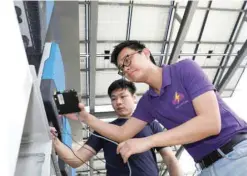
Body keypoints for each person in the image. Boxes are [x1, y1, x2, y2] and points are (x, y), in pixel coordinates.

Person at [66, 40, 247, 176]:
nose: (126, 68)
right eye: (122, 68)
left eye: (127, 59)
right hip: (206, 167)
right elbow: (122, 133)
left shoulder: (184, 69)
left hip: (237, 155)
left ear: (145, 53)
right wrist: (86, 118)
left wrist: (147, 141)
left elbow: (210, 123)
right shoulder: (149, 102)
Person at [51, 79, 183, 176]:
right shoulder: (103, 129)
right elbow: (76, 160)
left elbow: (170, 159)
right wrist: (54, 140)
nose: (118, 102)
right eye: (113, 99)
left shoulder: (150, 123)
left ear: (134, 98)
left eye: (123, 96)